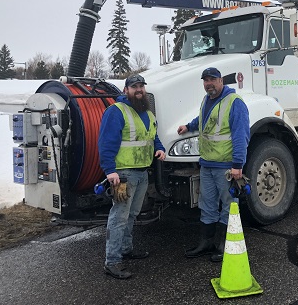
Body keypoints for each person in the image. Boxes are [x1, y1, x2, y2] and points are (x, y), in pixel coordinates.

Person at [177, 67, 249, 262]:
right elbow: (203, 121)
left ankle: (225, 244)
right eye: (205, 80)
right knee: (207, 204)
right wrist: (189, 126)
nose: (209, 83)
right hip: (207, 164)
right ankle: (207, 242)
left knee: (228, 205)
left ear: (221, 81)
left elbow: (241, 135)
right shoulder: (207, 100)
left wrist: (237, 165)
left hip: (226, 167)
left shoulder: (235, 103)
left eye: (212, 79)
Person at [98, 74, 166, 279]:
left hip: (142, 173)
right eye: (134, 86)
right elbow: (106, 143)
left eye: (141, 86)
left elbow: (153, 137)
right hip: (123, 175)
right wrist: (110, 170)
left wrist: (160, 149)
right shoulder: (116, 112)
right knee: (118, 217)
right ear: (125, 90)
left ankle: (126, 249)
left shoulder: (148, 113)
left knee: (132, 214)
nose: (139, 90)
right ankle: (112, 261)